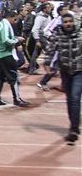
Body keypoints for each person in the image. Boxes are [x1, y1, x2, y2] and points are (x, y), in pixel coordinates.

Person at [42, 13, 81, 145]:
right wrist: (47, 63)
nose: (68, 24)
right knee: (69, 99)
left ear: (74, 22)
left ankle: (74, 129)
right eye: (65, 22)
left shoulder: (80, 33)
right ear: (62, 23)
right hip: (65, 71)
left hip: (79, 71)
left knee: (75, 98)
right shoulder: (58, 34)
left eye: (70, 21)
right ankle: (74, 124)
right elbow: (51, 49)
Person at [0, 10, 30, 107]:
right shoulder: (5, 25)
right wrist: (17, 40)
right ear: (9, 17)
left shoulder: (0, 24)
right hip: (5, 54)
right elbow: (6, 40)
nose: (16, 21)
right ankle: (17, 99)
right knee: (13, 77)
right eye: (15, 19)